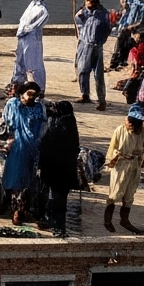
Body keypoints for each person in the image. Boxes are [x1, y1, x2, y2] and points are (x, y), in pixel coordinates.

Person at [29, 98, 83, 236]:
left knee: (47, 196)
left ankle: (47, 220)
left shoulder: (55, 123)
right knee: (59, 199)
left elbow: (45, 144)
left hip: (51, 168)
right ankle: (59, 227)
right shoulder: (70, 123)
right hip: (66, 170)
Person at [102, 109, 144, 234]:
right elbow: (112, 148)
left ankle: (124, 220)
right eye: (130, 122)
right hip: (121, 165)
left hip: (134, 165)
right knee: (115, 192)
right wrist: (114, 159)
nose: (131, 125)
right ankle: (107, 220)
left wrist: (142, 158)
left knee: (129, 193)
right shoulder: (120, 130)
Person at [1, 81, 48, 208]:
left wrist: (38, 142)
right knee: (12, 173)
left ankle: (23, 204)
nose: (31, 97)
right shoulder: (13, 104)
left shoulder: (39, 108)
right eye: (29, 94)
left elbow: (43, 128)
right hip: (16, 146)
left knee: (27, 177)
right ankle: (8, 200)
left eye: (34, 95)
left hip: (32, 149)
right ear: (22, 93)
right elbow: (5, 121)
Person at [72, 0, 111, 109]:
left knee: (98, 74)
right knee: (82, 70)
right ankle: (85, 94)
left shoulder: (103, 14)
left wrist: (101, 40)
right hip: (84, 44)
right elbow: (78, 22)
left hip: (96, 46)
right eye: (86, 6)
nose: (88, 8)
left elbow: (107, 29)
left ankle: (101, 100)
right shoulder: (83, 12)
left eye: (90, 6)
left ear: (96, 5)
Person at [14, 0, 50, 92]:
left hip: (32, 39)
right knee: (19, 62)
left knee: (33, 64)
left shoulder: (42, 10)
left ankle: (38, 88)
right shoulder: (31, 5)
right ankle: (18, 85)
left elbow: (35, 26)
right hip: (22, 37)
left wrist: (24, 30)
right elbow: (23, 20)